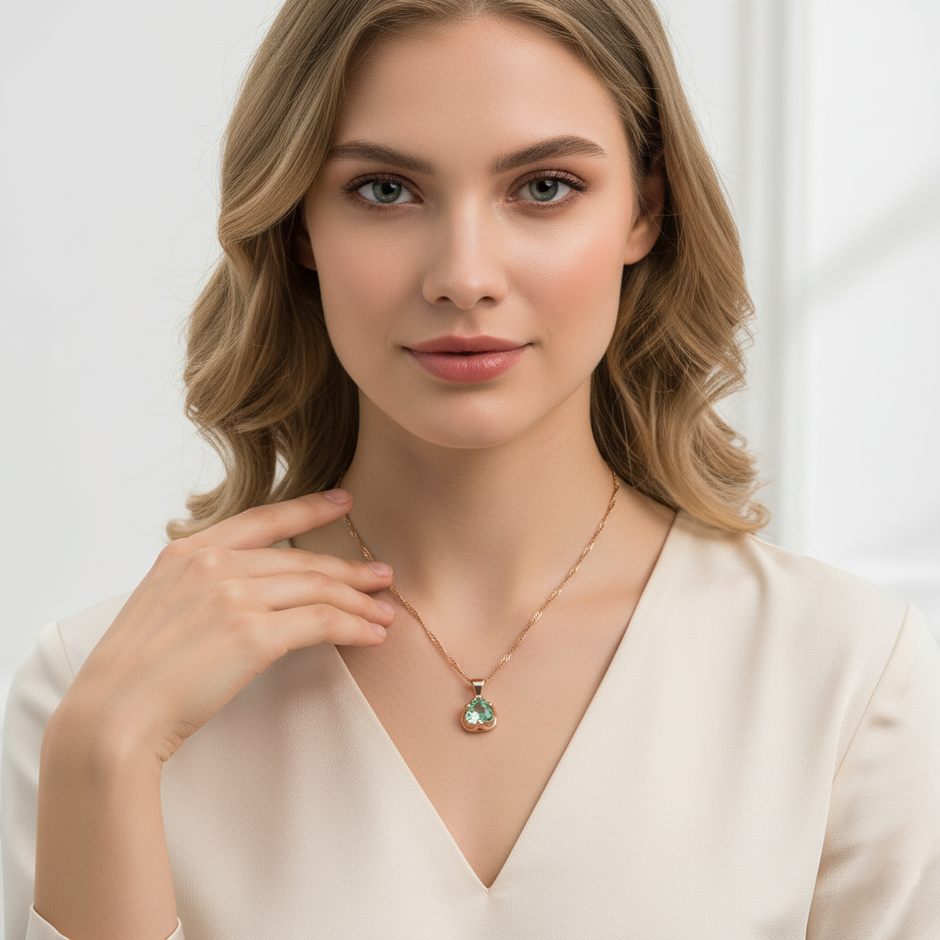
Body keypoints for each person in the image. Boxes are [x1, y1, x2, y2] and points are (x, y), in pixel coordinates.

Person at [2, 0, 939, 937]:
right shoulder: (98, 694)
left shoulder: (853, 678)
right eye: (384, 190)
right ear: (297, 225)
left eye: (543, 188)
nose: (464, 274)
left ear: (646, 211)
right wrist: (104, 753)